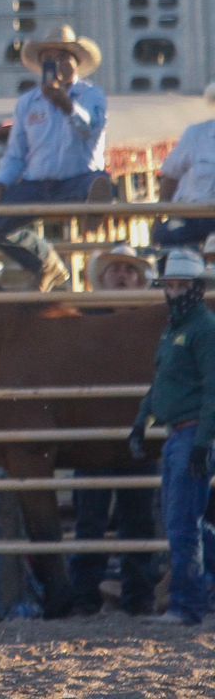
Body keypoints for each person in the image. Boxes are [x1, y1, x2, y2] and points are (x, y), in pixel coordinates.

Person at [0, 24, 112, 291]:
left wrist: (65, 103)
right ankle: (43, 262)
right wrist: (0, 184)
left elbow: (90, 129)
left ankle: (94, 206)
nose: (55, 63)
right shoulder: (28, 102)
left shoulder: (91, 95)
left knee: (98, 183)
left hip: (79, 178)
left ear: (75, 63)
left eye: (62, 57)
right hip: (36, 184)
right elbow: (17, 153)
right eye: (49, 58)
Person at [68, 244, 158, 616]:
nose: (122, 275)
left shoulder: (154, 321)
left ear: (140, 279)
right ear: (101, 279)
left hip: (139, 432)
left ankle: (137, 597)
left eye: (129, 270)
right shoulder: (83, 320)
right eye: (115, 270)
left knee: (137, 517)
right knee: (91, 517)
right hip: (96, 434)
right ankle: (86, 596)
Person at [127, 247, 215, 625]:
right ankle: (191, 599)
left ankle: (188, 606)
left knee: (183, 523)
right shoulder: (180, 329)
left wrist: (202, 443)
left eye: (181, 285)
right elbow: (161, 382)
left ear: (195, 288)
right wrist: (142, 419)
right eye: (171, 285)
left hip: (192, 433)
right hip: (180, 434)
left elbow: (213, 389)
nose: (175, 291)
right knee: (186, 521)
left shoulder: (202, 329)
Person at [153, 80, 215, 249]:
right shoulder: (196, 134)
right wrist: (158, 218)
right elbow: (170, 177)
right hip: (191, 218)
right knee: (168, 238)